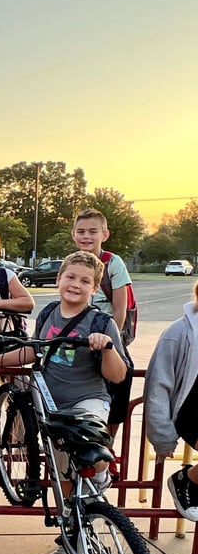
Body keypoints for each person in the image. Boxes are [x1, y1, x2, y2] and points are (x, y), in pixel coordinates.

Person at [0, 251, 129, 554]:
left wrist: (107, 347)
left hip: (86, 400)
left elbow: (118, 375)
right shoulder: (47, 314)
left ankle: (101, 476)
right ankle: (73, 536)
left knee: (91, 440)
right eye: (70, 277)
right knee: (63, 480)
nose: (76, 284)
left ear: (95, 288)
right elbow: (33, 351)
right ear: (59, 279)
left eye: (85, 281)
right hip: (51, 408)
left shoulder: (101, 322)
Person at [71, 208, 134, 440]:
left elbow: (120, 308)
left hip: (107, 334)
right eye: (81, 231)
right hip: (80, 336)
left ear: (104, 235)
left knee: (122, 378)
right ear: (74, 235)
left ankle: (108, 444)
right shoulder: (73, 263)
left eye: (92, 231)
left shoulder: (113, 263)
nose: (86, 236)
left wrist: (113, 343)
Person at [144, 281, 198, 521]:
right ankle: (186, 480)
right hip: (191, 410)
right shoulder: (180, 332)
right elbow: (157, 387)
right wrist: (163, 436)